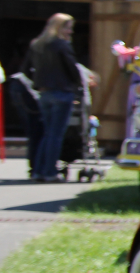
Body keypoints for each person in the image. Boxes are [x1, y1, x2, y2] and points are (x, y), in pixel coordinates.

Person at [22, 14, 96, 183]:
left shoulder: (37, 44)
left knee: (47, 134)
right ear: (59, 28)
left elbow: (26, 70)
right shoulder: (61, 45)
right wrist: (78, 85)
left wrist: (38, 83)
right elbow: (73, 69)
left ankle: (38, 171)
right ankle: (49, 172)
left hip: (44, 93)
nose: (70, 31)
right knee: (56, 135)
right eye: (68, 27)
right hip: (62, 93)